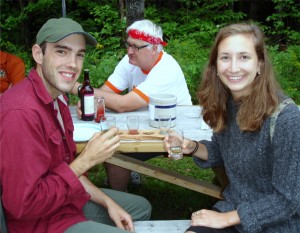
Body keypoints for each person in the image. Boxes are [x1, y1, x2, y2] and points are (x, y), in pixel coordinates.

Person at [0, 17, 151, 233]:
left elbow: (65, 170)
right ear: (38, 54)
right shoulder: (20, 113)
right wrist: (87, 159)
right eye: (61, 51)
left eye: (79, 54)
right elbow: (23, 206)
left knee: (140, 208)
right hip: (40, 223)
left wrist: (109, 203)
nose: (73, 63)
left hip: (65, 203)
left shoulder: (58, 101)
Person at [164, 23, 300, 233]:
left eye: (244, 57)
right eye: (225, 57)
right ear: (216, 65)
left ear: (260, 65)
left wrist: (226, 218)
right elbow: (222, 150)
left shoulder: (287, 119)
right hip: (233, 211)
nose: (233, 67)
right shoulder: (227, 104)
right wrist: (191, 147)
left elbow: (289, 200)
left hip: (276, 224)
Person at [72, 19, 192, 192]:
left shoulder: (166, 70)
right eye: (128, 45)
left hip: (175, 131)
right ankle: (125, 178)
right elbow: (106, 93)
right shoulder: (130, 61)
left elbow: (122, 104)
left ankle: (120, 196)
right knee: (107, 140)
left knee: (115, 149)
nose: (129, 51)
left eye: (136, 47)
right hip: (146, 125)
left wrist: (77, 88)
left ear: (154, 48)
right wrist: (87, 102)